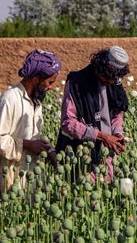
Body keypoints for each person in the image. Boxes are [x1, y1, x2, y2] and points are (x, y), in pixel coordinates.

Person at [0, 49, 61, 196]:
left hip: (30, 173)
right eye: (50, 82)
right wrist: (27, 144)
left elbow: (35, 137)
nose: (51, 87)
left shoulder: (36, 101)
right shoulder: (9, 100)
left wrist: (50, 152)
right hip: (8, 176)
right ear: (36, 79)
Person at [55, 46, 130, 183]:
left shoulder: (114, 82)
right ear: (99, 69)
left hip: (106, 156)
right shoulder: (76, 83)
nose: (110, 82)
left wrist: (117, 134)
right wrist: (101, 136)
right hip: (79, 156)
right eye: (107, 79)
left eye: (113, 80)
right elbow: (68, 122)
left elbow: (117, 112)